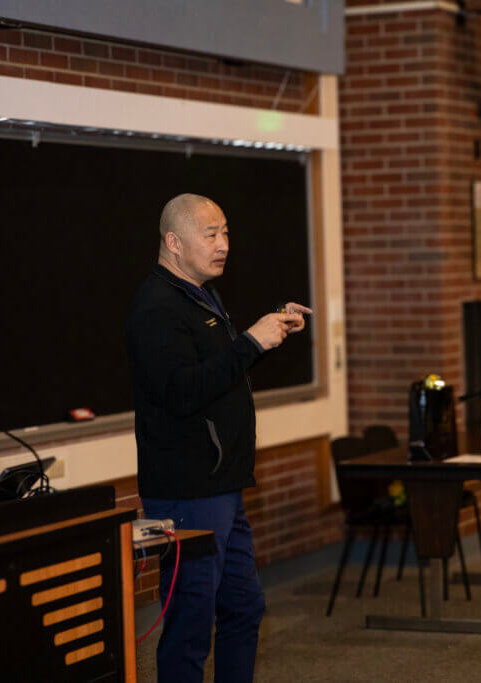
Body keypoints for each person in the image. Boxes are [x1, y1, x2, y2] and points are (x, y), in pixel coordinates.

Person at [125, 193, 311, 683]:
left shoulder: (200, 294)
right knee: (191, 625)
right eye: (211, 234)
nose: (224, 244)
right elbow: (182, 392)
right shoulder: (157, 307)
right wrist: (251, 340)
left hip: (222, 485)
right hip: (189, 491)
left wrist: (267, 335)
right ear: (173, 241)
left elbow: (217, 372)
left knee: (244, 609)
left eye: (226, 232)